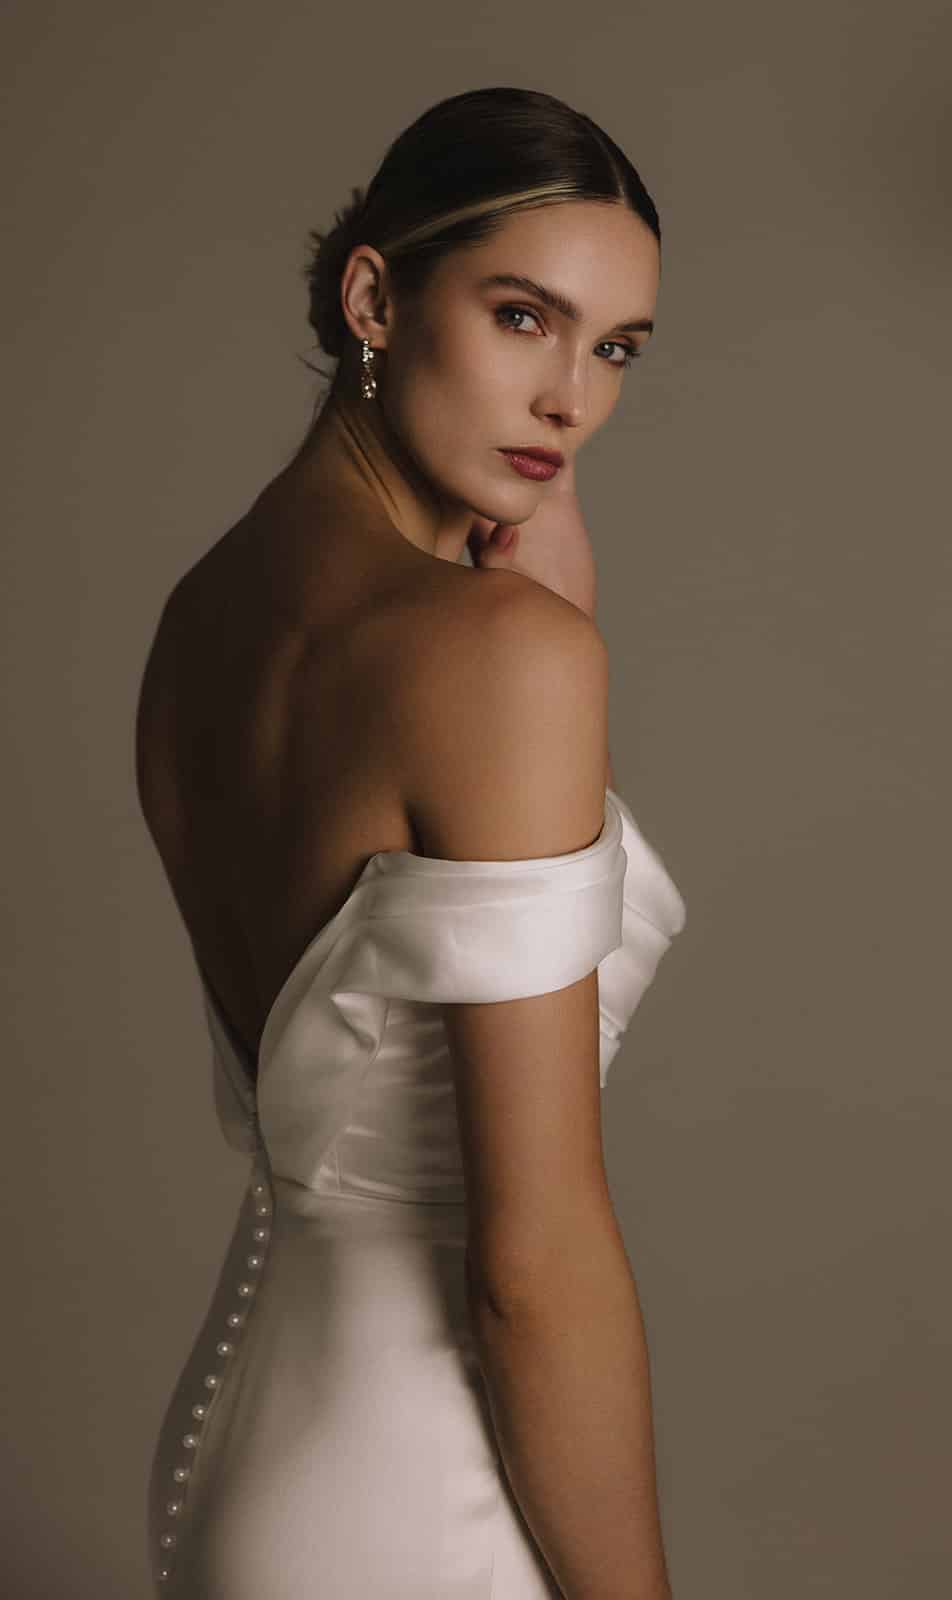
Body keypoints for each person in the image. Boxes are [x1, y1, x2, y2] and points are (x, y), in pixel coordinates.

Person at [136, 85, 687, 1599]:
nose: (571, 400)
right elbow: (530, 1270)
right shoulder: (496, 661)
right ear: (374, 298)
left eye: (616, 348)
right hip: (432, 1487)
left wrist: (546, 616)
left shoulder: (205, 617)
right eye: (523, 318)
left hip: (248, 1441)